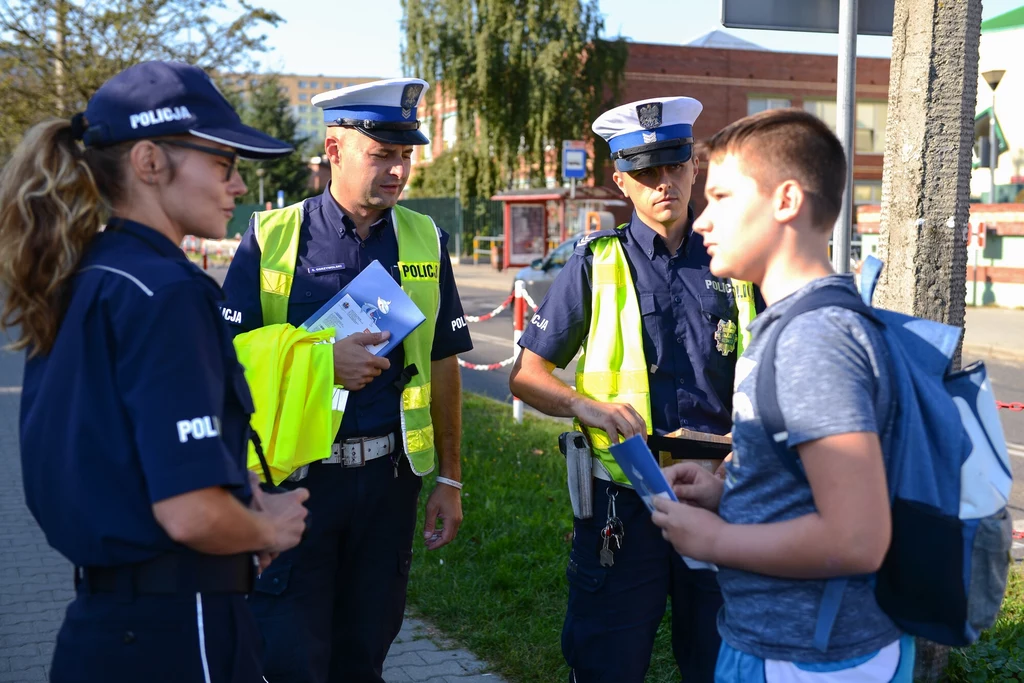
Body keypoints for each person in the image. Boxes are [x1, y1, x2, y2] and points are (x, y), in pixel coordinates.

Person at [0, 61, 311, 682]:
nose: (239, 185)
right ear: (148, 161)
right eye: (223, 163)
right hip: (180, 632)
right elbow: (190, 512)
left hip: (105, 629)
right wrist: (265, 528)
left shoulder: (82, 276)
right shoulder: (166, 290)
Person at [220, 77, 473, 683]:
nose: (398, 171)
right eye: (381, 154)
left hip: (388, 485)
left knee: (364, 653)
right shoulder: (271, 238)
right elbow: (223, 357)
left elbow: (443, 361)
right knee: (290, 658)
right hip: (295, 483)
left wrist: (450, 476)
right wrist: (319, 360)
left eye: (405, 156)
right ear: (333, 150)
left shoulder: (424, 238)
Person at [651, 108, 913, 681]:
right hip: (792, 644)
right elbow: (812, 491)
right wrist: (728, 494)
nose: (701, 220)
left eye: (721, 196)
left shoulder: (812, 339)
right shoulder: (804, 322)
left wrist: (718, 539)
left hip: (810, 658)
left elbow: (857, 538)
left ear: (786, 200)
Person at [509, 96, 747, 683]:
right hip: (623, 503)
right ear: (620, 181)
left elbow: (773, 380)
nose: (663, 183)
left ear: (695, 166)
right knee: (606, 665)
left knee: (724, 666)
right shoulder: (594, 263)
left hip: (721, 495)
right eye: (645, 172)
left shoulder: (736, 261)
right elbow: (526, 375)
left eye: (673, 165)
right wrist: (582, 406)